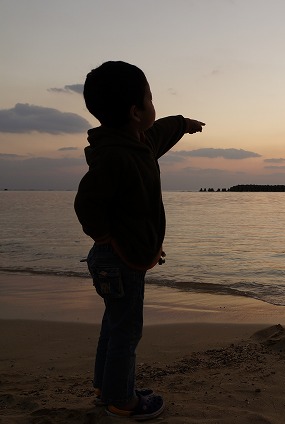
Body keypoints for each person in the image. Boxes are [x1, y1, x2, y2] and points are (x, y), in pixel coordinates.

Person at [74, 61, 205, 420]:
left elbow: (159, 133)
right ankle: (122, 400)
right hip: (117, 261)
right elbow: (86, 203)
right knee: (126, 332)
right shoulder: (116, 156)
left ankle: (106, 387)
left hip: (117, 259)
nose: (153, 105)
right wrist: (108, 240)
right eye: (151, 98)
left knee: (114, 324)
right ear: (136, 111)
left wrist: (182, 124)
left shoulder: (137, 145)